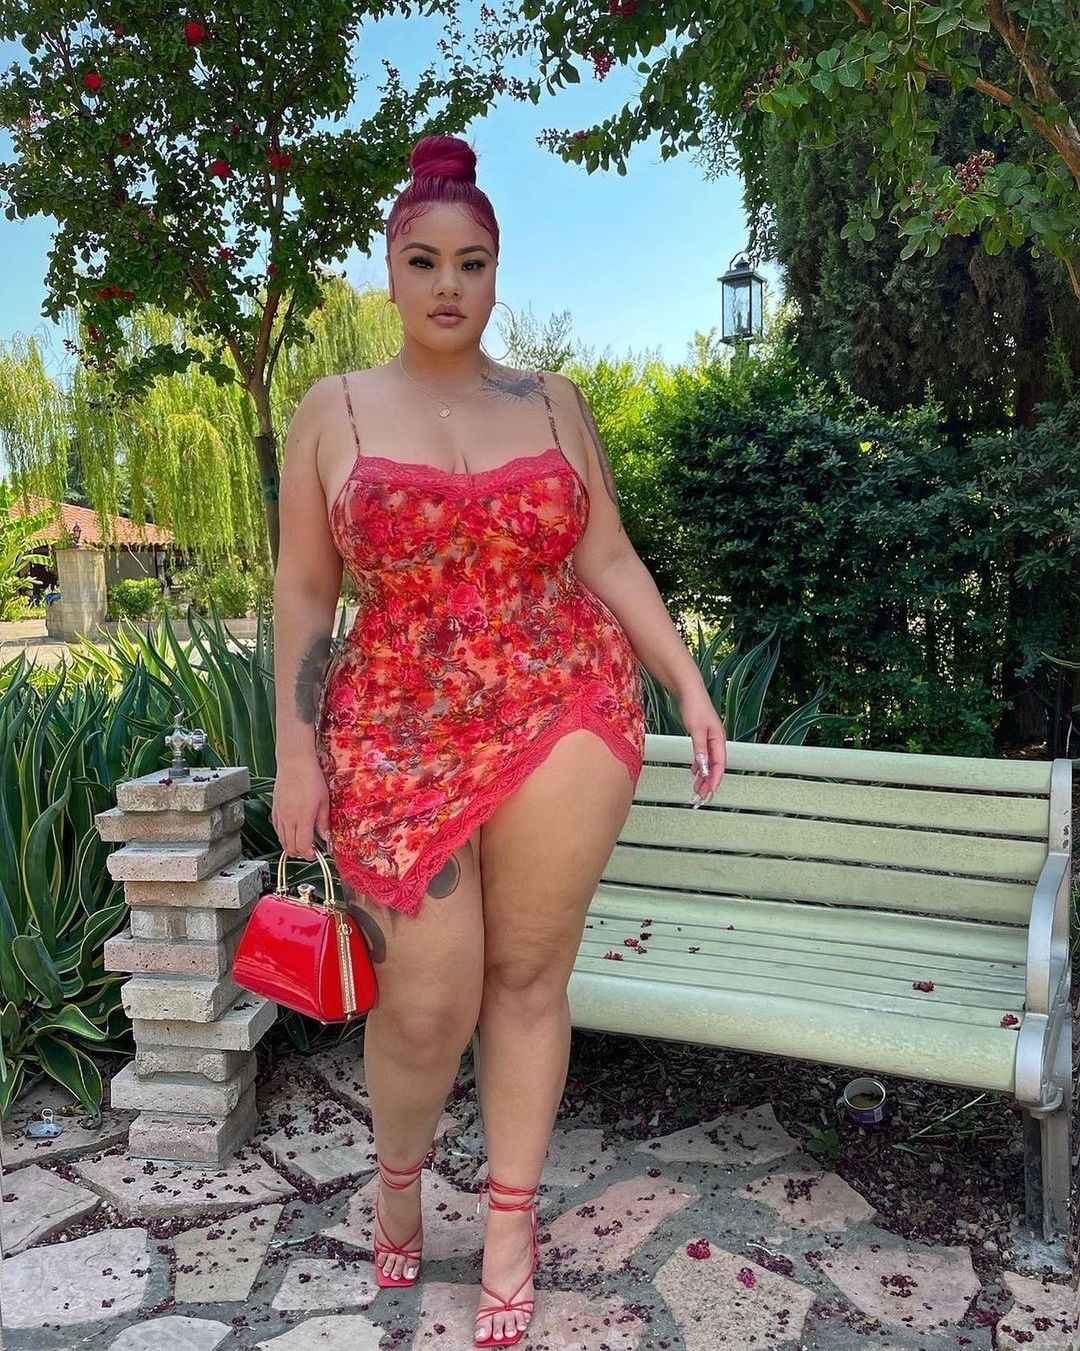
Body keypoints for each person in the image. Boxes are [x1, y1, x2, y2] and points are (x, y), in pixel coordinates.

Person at [271, 132, 727, 1347]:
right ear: (390, 270)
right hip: (393, 726)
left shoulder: (553, 403)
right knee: (426, 999)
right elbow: (305, 592)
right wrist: (296, 750)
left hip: (562, 699)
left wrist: (686, 680)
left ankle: (512, 1221)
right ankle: (401, 1179)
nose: (448, 285)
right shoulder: (333, 409)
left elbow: (607, 554)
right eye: (423, 261)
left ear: (496, 272)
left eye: (471, 263)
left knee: (527, 978)